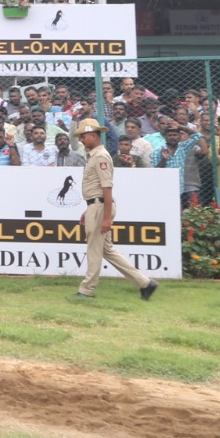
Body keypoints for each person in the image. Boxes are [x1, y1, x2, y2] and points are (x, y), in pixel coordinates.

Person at [72, 118, 157, 301]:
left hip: (100, 206)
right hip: (97, 205)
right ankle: (145, 283)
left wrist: (105, 217)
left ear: (93, 135)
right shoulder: (96, 155)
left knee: (94, 249)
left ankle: (87, 289)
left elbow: (107, 188)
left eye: (83, 136)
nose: (81, 140)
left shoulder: (100, 156)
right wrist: (90, 210)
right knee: (107, 250)